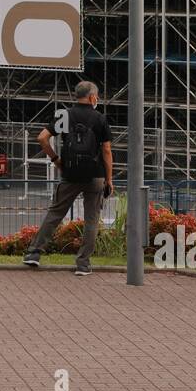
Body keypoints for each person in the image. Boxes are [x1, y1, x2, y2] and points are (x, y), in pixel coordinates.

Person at [24, 80, 113, 276]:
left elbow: (42, 137)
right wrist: (109, 179)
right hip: (95, 175)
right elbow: (106, 150)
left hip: (70, 173)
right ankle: (83, 264)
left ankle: (34, 253)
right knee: (91, 219)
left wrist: (56, 159)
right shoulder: (99, 118)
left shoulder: (64, 115)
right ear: (92, 97)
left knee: (55, 213)